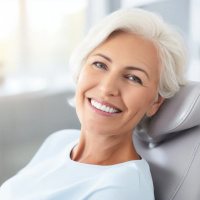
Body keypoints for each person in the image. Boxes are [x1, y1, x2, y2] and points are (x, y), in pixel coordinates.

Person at [0, 8, 187, 200]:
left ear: (155, 102)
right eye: (100, 65)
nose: (107, 88)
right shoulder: (59, 141)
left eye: (133, 78)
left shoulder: (121, 190)